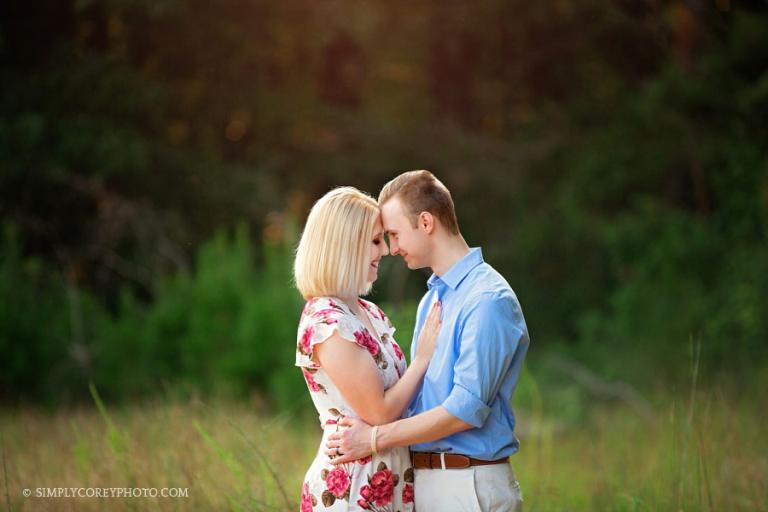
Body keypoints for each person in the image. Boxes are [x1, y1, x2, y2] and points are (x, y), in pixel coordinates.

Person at [326, 171, 530, 511]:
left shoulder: (487, 300)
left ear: (425, 222)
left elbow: (464, 411)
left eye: (393, 234)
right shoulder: (433, 300)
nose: (390, 249)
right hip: (426, 483)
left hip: (469, 486)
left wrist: (373, 439)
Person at [294, 186, 443, 511]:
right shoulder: (326, 320)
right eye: (375, 241)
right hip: (352, 487)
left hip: (390, 476)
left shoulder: (369, 312)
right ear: (345, 245)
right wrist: (422, 360)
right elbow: (379, 411)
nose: (386, 250)